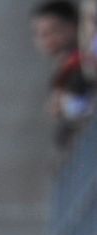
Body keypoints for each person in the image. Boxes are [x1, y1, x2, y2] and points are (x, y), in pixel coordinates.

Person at [31, 1, 93, 146]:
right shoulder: (63, 75)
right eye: (39, 34)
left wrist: (66, 105)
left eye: (53, 31)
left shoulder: (86, 63)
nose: (46, 40)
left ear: (74, 27)